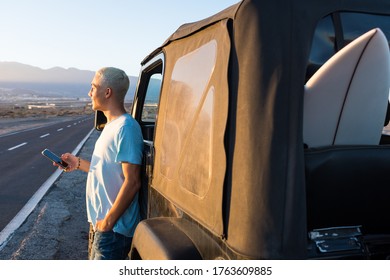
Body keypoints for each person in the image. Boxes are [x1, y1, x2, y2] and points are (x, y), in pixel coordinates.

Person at [56, 67, 144, 260]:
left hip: (113, 230)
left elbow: (133, 181)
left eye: (93, 87)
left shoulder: (126, 128)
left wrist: (107, 223)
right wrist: (77, 163)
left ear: (107, 92)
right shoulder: (111, 126)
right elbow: (107, 170)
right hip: (102, 227)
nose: (89, 93)